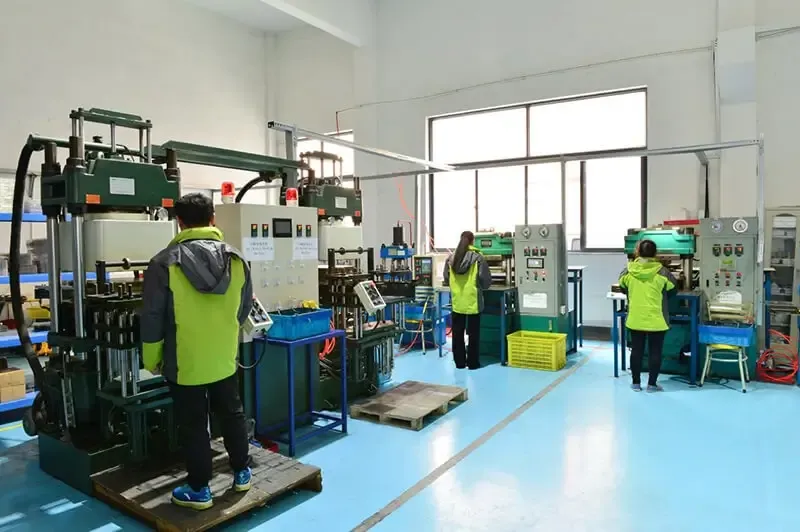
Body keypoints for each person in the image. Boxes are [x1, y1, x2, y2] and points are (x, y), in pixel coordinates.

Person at [140, 192, 254, 510]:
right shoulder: (237, 259)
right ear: (213, 218)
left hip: (185, 360)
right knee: (232, 413)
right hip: (223, 357)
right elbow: (244, 310)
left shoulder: (164, 262)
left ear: (179, 222)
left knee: (194, 423)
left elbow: (152, 317)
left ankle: (199, 489)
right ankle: (242, 471)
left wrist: (152, 359)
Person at [618, 239, 677, 392]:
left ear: (637, 251)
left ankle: (636, 383)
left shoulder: (628, 271)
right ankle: (652, 384)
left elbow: (622, 286)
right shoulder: (662, 272)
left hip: (635, 318)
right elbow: (673, 289)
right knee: (655, 351)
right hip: (657, 319)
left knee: (636, 350)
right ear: (655, 253)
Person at [443, 231, 492, 370]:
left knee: (457, 333)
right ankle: (472, 363)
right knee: (473, 334)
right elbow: (485, 281)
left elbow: (446, 279)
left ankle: (459, 362)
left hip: (457, 302)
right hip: (473, 302)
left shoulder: (451, 259)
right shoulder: (478, 258)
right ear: (472, 241)